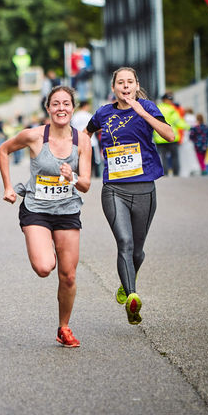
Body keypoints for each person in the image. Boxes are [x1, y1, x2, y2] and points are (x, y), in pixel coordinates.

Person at [0, 86, 92, 347]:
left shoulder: (82, 141)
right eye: (55, 104)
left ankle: (64, 327)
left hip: (67, 210)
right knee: (43, 267)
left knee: (68, 275)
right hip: (37, 209)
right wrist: (8, 187)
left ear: (73, 108)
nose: (61, 109)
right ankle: (42, 244)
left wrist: (70, 176)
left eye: (66, 104)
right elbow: (4, 150)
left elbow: (85, 184)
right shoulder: (34, 136)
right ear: (48, 108)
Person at [84, 67, 175, 325]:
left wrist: (142, 113)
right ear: (113, 88)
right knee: (124, 242)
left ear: (136, 85)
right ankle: (133, 297)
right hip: (114, 189)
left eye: (130, 82)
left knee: (138, 251)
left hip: (145, 187)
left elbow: (170, 135)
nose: (125, 86)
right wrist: (79, 156)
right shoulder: (103, 113)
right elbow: (85, 135)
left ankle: (126, 284)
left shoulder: (148, 107)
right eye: (120, 83)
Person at [154, 93, 186, 176]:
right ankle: (176, 173)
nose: (171, 101)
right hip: (172, 137)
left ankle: (165, 172)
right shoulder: (172, 109)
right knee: (174, 156)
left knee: (163, 157)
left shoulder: (157, 108)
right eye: (170, 100)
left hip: (160, 137)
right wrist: (189, 127)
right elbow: (178, 122)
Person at [71, 100, 100, 177]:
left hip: (78, 142)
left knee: (81, 161)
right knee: (94, 161)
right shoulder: (89, 115)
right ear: (86, 106)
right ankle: (96, 176)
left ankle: (81, 176)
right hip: (91, 141)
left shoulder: (74, 116)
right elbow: (96, 127)